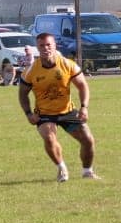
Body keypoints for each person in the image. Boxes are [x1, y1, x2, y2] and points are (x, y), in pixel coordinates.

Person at [19, 31, 99, 182]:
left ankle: (87, 172)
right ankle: (62, 168)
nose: (45, 48)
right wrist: (28, 113)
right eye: (41, 46)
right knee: (49, 138)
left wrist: (84, 107)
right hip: (44, 114)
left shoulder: (67, 64)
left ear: (55, 46)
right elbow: (23, 93)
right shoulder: (31, 70)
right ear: (37, 48)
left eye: (48, 45)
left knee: (88, 140)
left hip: (67, 111)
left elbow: (83, 86)